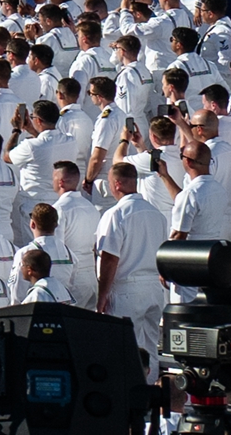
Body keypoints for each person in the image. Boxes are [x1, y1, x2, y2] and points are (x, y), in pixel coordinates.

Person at [96, 161, 167, 379]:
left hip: (126, 288)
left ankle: (126, 391)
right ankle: (149, 389)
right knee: (150, 346)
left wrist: (102, 295)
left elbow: (109, 258)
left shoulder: (116, 214)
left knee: (123, 346)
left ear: (117, 184)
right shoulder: (157, 214)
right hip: (153, 287)